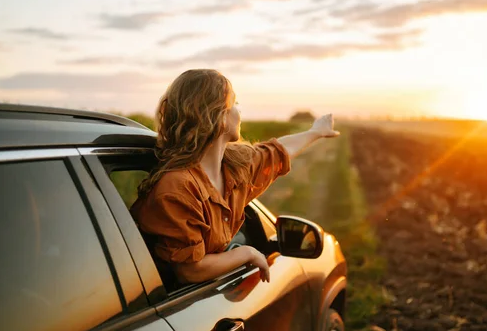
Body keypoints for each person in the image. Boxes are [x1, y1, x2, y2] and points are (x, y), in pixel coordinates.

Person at [130, 69, 339, 285]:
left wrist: (316, 132)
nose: (240, 111)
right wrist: (246, 253)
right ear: (218, 116)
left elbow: (276, 151)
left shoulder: (234, 165)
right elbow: (190, 271)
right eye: (235, 103)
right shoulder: (178, 188)